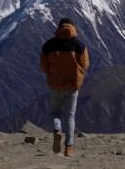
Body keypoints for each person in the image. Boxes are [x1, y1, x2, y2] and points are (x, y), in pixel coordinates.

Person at [40, 18, 90, 157]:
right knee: (70, 116)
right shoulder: (80, 46)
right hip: (73, 85)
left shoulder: (48, 46)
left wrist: (52, 73)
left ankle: (57, 129)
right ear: (73, 28)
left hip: (55, 85)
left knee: (55, 113)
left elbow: (43, 67)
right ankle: (69, 148)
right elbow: (85, 65)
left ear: (59, 27)